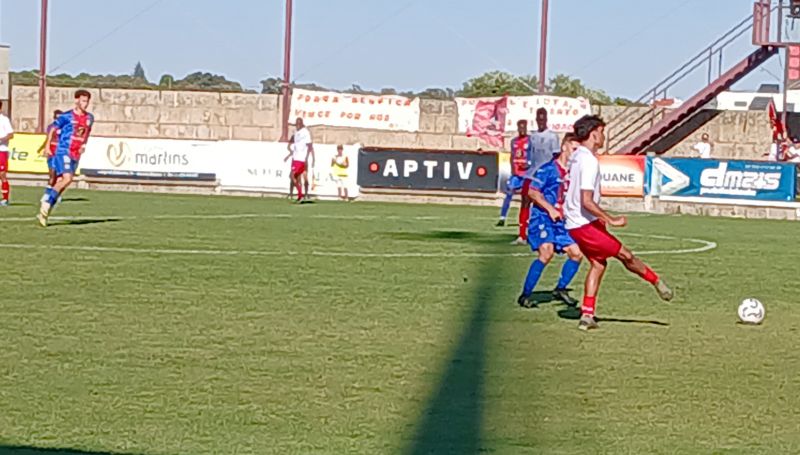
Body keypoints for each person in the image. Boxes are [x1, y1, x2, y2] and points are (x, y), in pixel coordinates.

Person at [564, 115, 673, 331]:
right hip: (583, 224)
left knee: (598, 264)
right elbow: (586, 200)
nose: (604, 136)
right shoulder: (588, 160)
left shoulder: (577, 156)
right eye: (602, 132)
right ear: (594, 134)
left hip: (579, 223)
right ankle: (657, 282)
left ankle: (587, 315)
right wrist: (611, 219)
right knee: (626, 255)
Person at [517, 133, 583, 309]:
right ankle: (525, 295)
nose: (576, 153)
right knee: (547, 252)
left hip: (562, 221)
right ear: (564, 147)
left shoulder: (573, 172)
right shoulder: (548, 169)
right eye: (574, 149)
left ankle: (560, 289)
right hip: (543, 218)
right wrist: (550, 209)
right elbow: (532, 192)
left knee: (576, 253)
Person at [37, 90, 95, 227]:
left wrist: (83, 145)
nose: (85, 104)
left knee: (62, 183)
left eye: (87, 101)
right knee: (67, 178)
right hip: (64, 151)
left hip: (76, 154)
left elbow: (86, 133)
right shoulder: (67, 116)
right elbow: (52, 129)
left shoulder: (89, 118)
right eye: (83, 101)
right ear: (76, 101)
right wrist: (47, 147)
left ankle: (45, 211)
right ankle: (46, 203)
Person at [516, 108, 561, 244]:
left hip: (545, 176)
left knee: (544, 204)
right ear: (536, 120)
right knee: (525, 201)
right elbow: (530, 155)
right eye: (539, 119)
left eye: (543, 119)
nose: (541, 121)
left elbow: (556, 155)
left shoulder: (552, 136)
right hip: (531, 174)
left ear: (546, 119)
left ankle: (548, 233)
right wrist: (527, 165)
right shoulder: (533, 136)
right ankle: (522, 235)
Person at [496, 120, 532, 234]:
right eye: (520, 128)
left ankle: (527, 220)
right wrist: (512, 169)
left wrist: (529, 164)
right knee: (509, 194)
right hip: (516, 174)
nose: (522, 130)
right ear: (518, 128)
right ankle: (502, 218)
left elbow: (533, 155)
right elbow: (512, 155)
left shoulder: (531, 140)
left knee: (527, 198)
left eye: (524, 127)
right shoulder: (514, 141)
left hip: (527, 174)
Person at [283, 118, 314, 202]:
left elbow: (310, 147)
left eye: (298, 124)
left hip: (301, 159)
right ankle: (300, 195)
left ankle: (303, 195)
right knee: (294, 177)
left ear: (301, 124)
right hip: (296, 158)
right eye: (296, 124)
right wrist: (289, 154)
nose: (297, 126)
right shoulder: (296, 134)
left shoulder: (305, 133)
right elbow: (292, 147)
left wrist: (308, 158)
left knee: (298, 176)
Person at [37, 109, 64, 201]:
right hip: (52, 153)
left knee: (59, 176)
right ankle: (47, 194)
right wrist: (43, 148)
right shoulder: (51, 127)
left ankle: (56, 194)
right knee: (52, 174)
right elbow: (48, 139)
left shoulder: (65, 128)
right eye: (57, 118)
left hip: (61, 153)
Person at [0, 101, 14, 206]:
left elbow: (11, 134)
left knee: (2, 174)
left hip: (2, 150)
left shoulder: (4, 120)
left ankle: (5, 199)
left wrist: (1, 139)